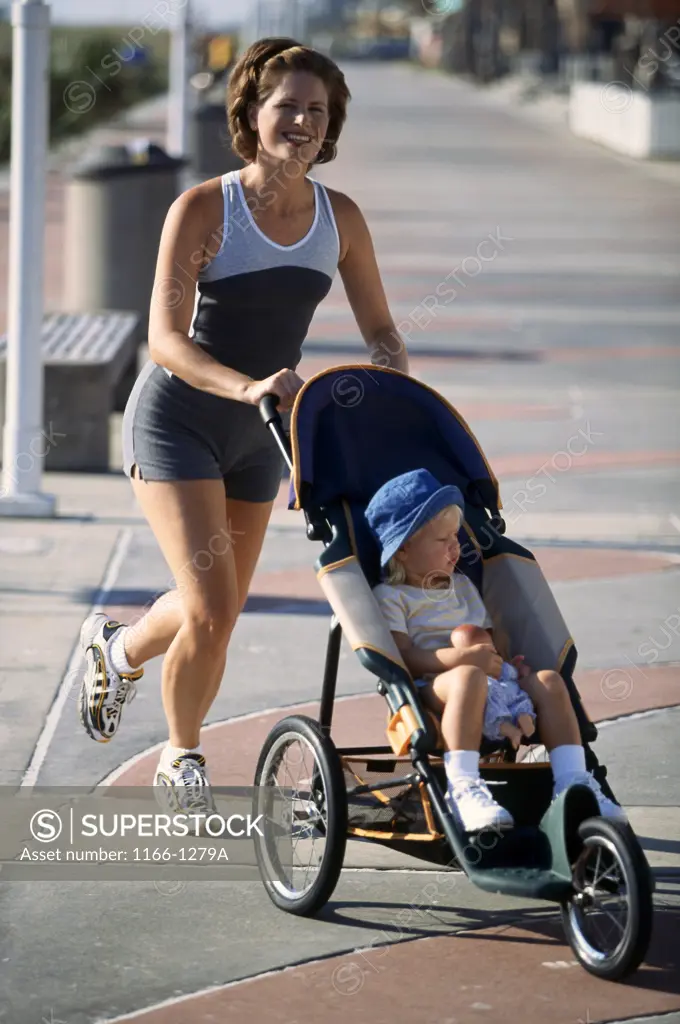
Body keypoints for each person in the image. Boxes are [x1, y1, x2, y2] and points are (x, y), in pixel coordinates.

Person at [77, 37, 409, 811]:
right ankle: (181, 755)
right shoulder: (205, 207)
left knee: (216, 612)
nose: (300, 120)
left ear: (332, 128)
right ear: (252, 115)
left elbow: (384, 333)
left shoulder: (342, 219)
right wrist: (248, 384)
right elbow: (162, 339)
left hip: (265, 433)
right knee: (211, 608)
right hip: (180, 420)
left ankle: (120, 649)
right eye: (285, 105)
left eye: (316, 111)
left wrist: (386, 389)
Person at [365, 468, 627, 832]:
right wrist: (461, 661)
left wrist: (507, 665)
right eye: (442, 540)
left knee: (549, 680)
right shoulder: (392, 596)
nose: (455, 547)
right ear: (404, 549)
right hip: (433, 686)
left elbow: (486, 640)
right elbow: (403, 656)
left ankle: (573, 783)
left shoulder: (462, 587)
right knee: (468, 677)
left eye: (456, 537)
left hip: (486, 677)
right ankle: (463, 788)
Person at [450, 623, 536, 749]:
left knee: (487, 709)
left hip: (492, 693)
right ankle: (524, 716)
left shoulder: (471, 671)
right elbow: (511, 674)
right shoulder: (498, 665)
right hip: (506, 690)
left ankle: (508, 728)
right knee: (519, 696)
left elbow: (511, 673)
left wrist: (518, 670)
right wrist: (517, 671)